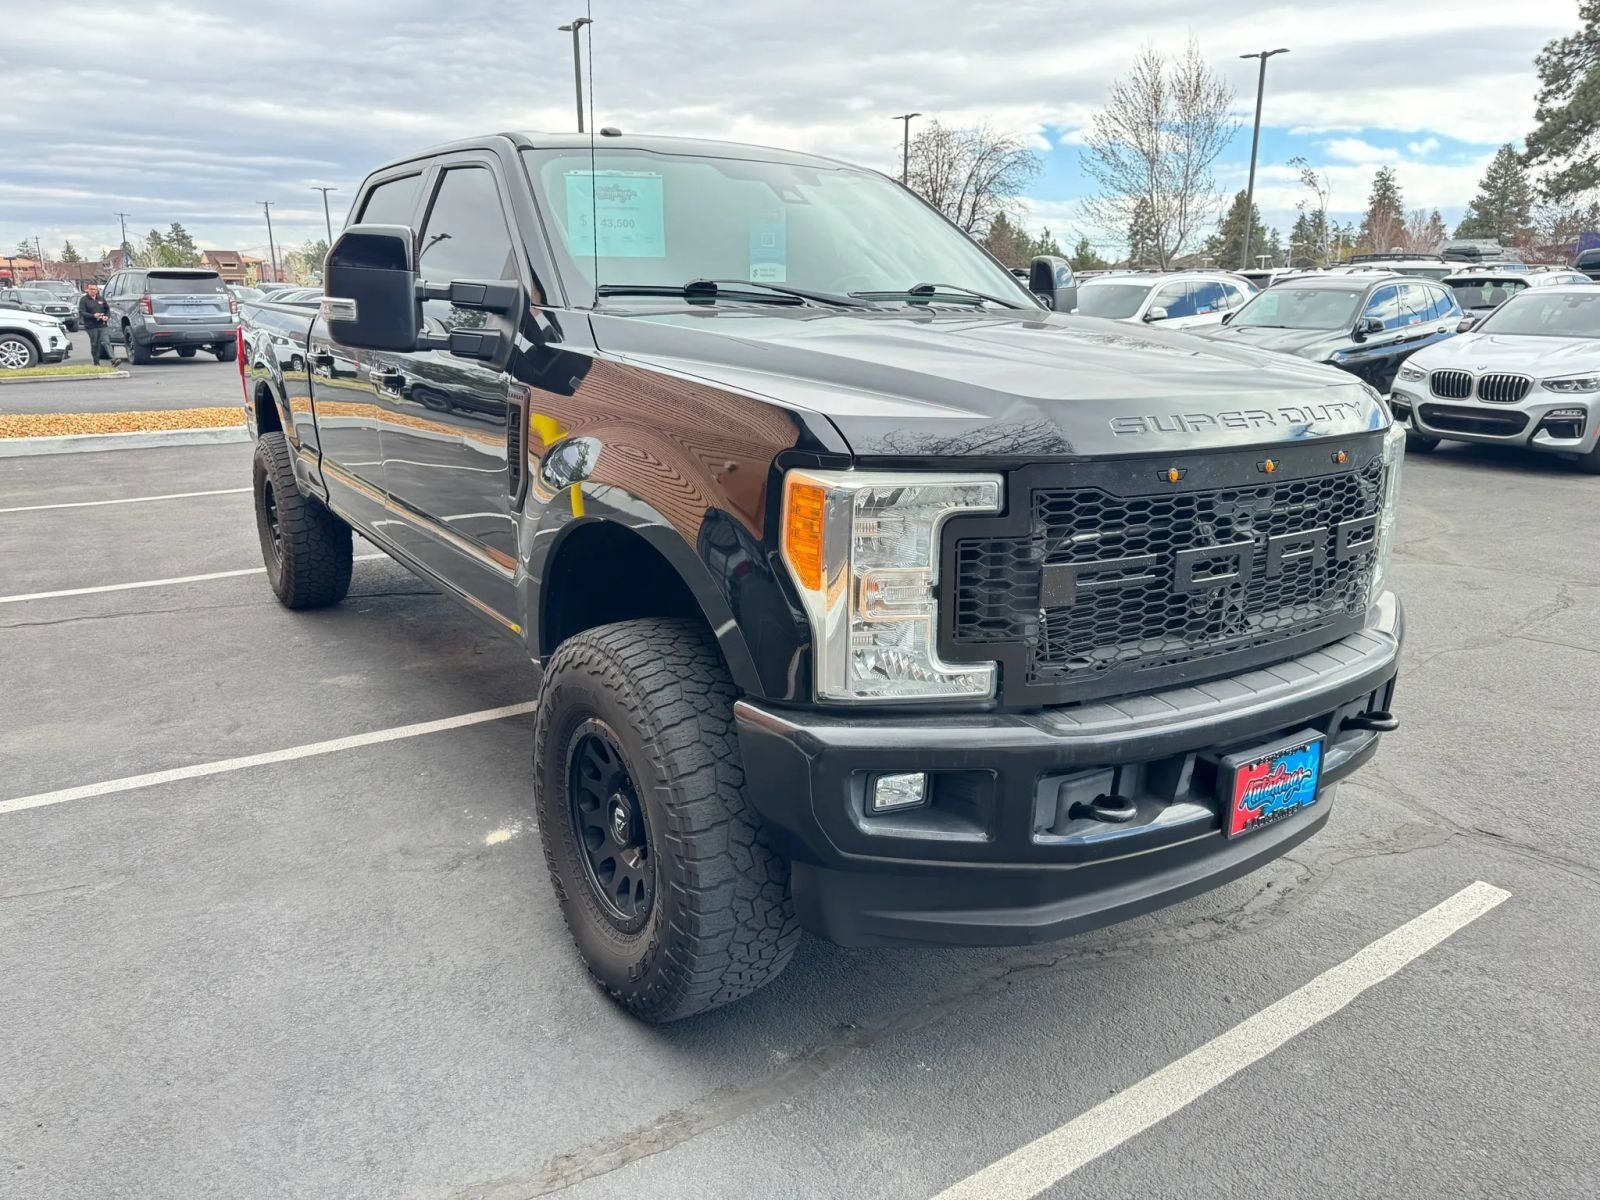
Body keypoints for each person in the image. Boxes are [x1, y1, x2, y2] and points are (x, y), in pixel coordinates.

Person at [79, 283, 114, 365]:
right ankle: (96, 361)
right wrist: (93, 315)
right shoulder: (84, 300)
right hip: (91, 325)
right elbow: (82, 312)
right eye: (91, 289)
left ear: (97, 290)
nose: (93, 291)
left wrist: (106, 317)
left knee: (106, 341)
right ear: (87, 290)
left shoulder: (101, 299)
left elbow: (107, 309)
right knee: (95, 343)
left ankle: (113, 359)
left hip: (102, 324)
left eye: (94, 289)